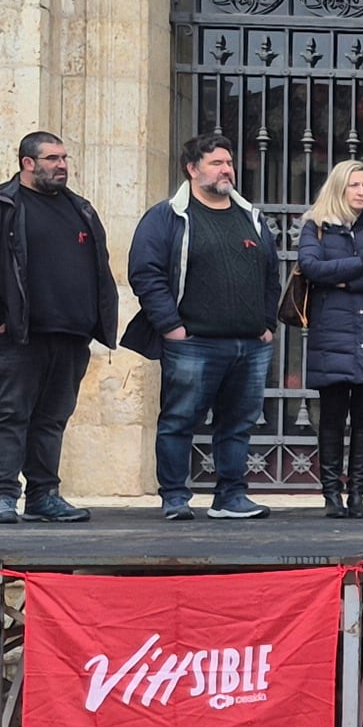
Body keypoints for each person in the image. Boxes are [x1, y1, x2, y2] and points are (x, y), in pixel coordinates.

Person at [0, 131, 115, 525]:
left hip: (70, 336)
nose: (62, 166)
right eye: (52, 158)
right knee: (9, 414)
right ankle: (3, 496)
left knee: (52, 418)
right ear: (27, 163)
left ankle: (44, 496)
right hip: (16, 336)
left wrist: (94, 322)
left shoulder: (81, 209)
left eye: (64, 158)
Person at [124, 134, 280, 521]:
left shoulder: (251, 218)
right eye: (216, 163)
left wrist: (266, 324)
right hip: (193, 343)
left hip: (249, 345)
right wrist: (171, 326)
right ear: (192, 169)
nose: (226, 169)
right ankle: (175, 497)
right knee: (179, 421)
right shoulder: (167, 216)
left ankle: (231, 497)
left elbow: (271, 275)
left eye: (228, 162)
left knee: (238, 425)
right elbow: (146, 273)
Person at [293, 161, 363, 521]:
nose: (361, 192)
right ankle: (331, 495)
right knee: (330, 418)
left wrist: (342, 279)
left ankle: (357, 494)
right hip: (333, 337)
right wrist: (362, 264)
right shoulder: (317, 225)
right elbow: (311, 267)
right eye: (353, 185)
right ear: (339, 188)